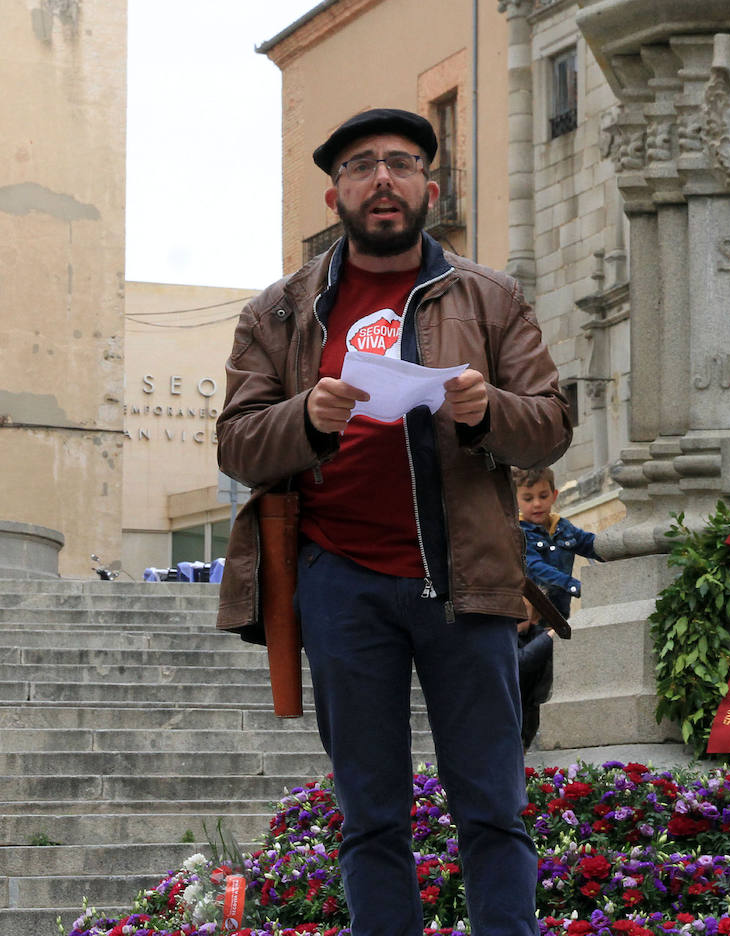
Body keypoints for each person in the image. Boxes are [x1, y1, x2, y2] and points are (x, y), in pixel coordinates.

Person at [215, 107, 571, 936]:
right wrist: (307, 415)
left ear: (429, 189)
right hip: (339, 580)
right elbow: (237, 442)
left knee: (492, 806)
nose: (384, 179)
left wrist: (490, 410)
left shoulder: (490, 297)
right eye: (363, 165)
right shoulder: (279, 312)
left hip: (467, 581)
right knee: (371, 815)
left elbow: (551, 420)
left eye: (402, 164)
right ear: (334, 193)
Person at [515, 467, 600, 621]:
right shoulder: (519, 533)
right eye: (528, 499)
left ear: (554, 496)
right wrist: (572, 585)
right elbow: (536, 567)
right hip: (530, 622)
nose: (537, 504)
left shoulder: (563, 527)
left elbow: (591, 544)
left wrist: (620, 548)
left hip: (560, 617)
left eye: (543, 496)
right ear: (515, 501)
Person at [515, 597, 555, 749]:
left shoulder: (536, 635)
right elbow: (520, 663)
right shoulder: (500, 637)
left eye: (522, 608)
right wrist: (549, 637)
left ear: (535, 616)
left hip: (528, 718)